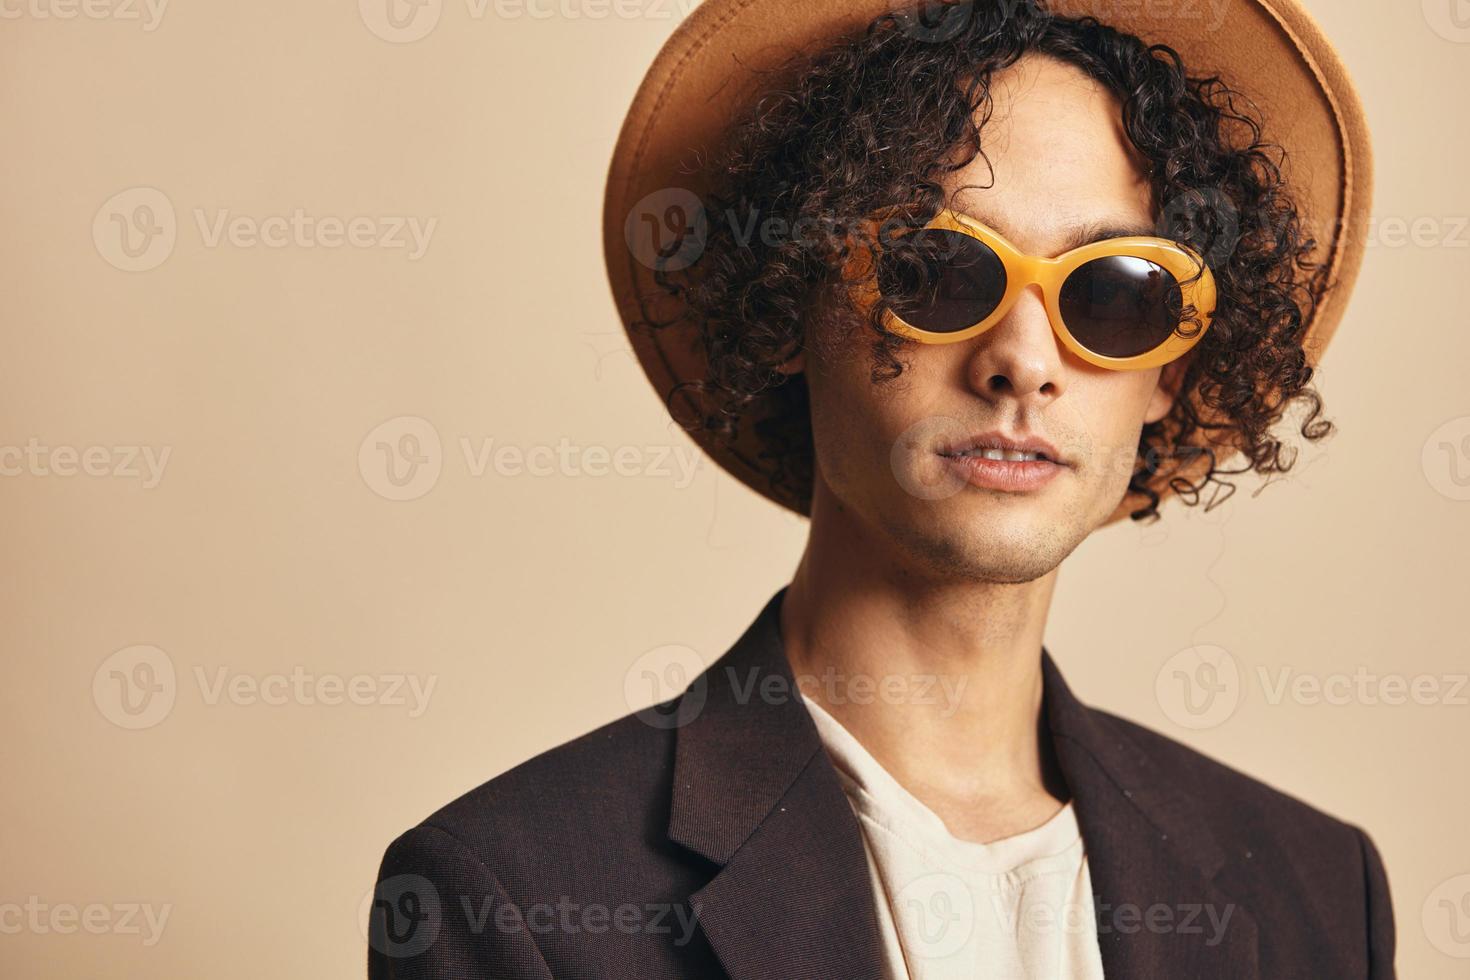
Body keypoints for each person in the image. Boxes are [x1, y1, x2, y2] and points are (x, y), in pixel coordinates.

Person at [369, 1, 1392, 977]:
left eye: (1115, 294)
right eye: (937, 271)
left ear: (1169, 371)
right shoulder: (514, 892)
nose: (1023, 362)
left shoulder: (1316, 892)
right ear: (793, 306)